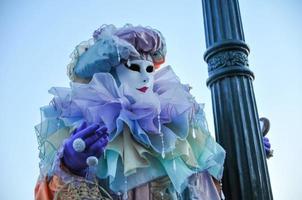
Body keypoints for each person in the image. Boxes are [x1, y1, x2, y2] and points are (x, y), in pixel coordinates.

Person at [34, 24, 270, 200]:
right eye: (134, 67)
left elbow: (208, 186)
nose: (145, 75)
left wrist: (248, 150)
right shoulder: (90, 129)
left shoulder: (176, 128)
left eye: (149, 68)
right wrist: (71, 167)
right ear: (110, 75)